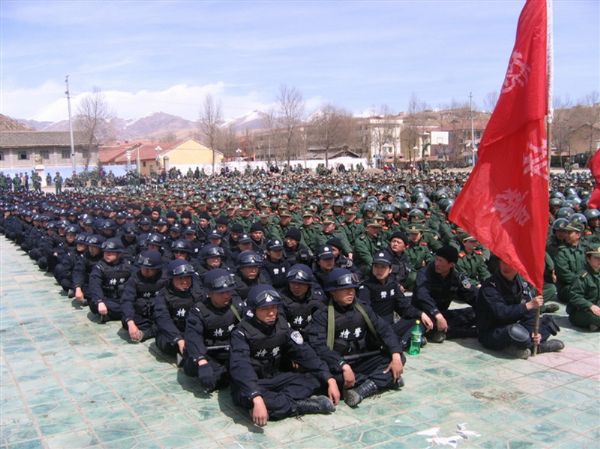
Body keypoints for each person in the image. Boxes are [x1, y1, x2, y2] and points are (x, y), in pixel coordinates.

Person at [229, 285, 340, 426]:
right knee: (248, 398)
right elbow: (240, 366)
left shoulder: (282, 326)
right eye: (265, 309)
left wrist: (329, 378)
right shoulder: (241, 333)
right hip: (254, 383)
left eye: (274, 308)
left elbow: (304, 352)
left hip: (277, 377)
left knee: (316, 379)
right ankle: (300, 406)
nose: (271, 313)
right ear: (253, 310)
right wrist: (256, 397)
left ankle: (278, 405)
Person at [308, 268, 405, 408]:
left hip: (363, 359)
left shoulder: (363, 309)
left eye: (353, 289)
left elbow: (384, 330)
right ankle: (384, 380)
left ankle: (362, 390)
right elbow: (319, 347)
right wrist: (342, 365)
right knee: (322, 380)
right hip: (339, 366)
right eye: (345, 289)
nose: (350, 292)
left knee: (398, 359)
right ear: (333, 292)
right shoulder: (322, 315)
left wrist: (395, 354)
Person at [476, 259, 564, 359]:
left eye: (510, 264)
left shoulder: (522, 284)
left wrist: (534, 332)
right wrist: (527, 306)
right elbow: (501, 313)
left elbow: (531, 312)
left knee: (548, 322)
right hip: (493, 331)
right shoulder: (490, 286)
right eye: (503, 262)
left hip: (516, 324)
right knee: (515, 332)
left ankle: (528, 344)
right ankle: (536, 347)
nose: (506, 266)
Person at [183, 269, 245, 391]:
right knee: (200, 370)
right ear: (210, 293)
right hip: (209, 354)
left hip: (231, 352)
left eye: (228, 291)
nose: (226, 295)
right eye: (221, 293)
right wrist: (201, 360)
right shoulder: (199, 311)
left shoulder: (237, 305)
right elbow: (193, 336)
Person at [358, 251, 430, 350]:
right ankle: (401, 344)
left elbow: (403, 307)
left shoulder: (393, 285)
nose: (379, 270)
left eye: (383, 267)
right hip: (375, 330)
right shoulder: (366, 287)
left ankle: (399, 344)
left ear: (390, 269)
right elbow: (365, 313)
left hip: (391, 327)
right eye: (376, 267)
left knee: (420, 321)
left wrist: (420, 313)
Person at [412, 245, 478, 342]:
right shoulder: (424, 273)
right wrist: (437, 314)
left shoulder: (457, 277)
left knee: (475, 312)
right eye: (436, 259)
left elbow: (473, 294)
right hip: (424, 315)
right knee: (432, 328)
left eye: (441, 261)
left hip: (443, 314)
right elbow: (422, 295)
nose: (436, 264)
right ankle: (474, 332)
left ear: (451, 264)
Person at [121, 250, 166, 342]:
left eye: (150, 269)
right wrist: (130, 322)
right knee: (125, 321)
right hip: (141, 316)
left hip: (158, 315)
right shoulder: (134, 279)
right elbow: (127, 300)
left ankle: (146, 334)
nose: (146, 271)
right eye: (143, 267)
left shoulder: (165, 279)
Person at [88, 237, 132, 321]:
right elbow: (95, 286)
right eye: (105, 252)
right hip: (108, 299)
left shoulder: (127, 265)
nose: (107, 255)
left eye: (111, 252)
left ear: (119, 254)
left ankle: (112, 315)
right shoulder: (99, 267)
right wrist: (99, 301)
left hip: (123, 299)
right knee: (94, 304)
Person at [567, 245, 600, 331]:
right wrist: (590, 306)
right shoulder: (582, 276)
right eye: (596, 258)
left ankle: (594, 325)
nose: (599, 260)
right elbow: (574, 297)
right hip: (581, 311)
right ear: (588, 259)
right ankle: (593, 323)